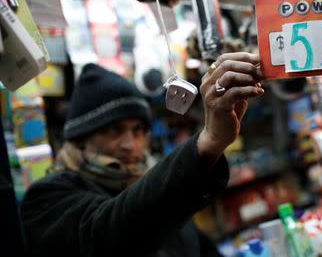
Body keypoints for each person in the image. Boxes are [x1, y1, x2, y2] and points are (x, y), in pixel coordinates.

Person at [20, 53, 264, 257]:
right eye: (114, 130)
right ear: (81, 139)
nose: (130, 144)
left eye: (138, 130)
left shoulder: (157, 191)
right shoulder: (48, 197)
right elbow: (110, 233)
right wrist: (210, 141)